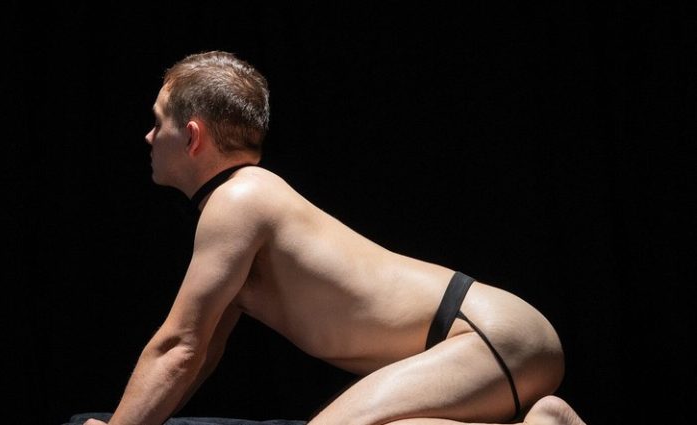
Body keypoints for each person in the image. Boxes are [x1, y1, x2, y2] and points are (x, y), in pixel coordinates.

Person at [85, 51, 586, 425]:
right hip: (482, 343)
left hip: (486, 335)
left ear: (192, 136)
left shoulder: (239, 199)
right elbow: (199, 356)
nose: (149, 136)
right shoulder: (248, 199)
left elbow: (179, 346)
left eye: (158, 122)